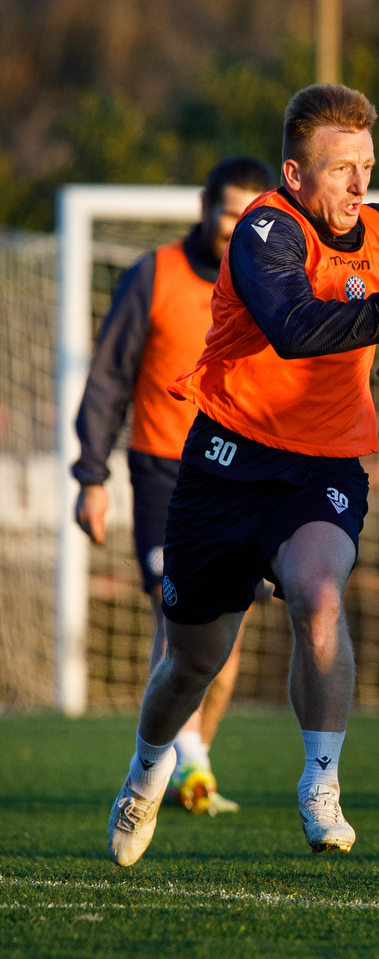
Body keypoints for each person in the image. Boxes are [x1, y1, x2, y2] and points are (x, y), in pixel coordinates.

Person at [106, 83, 379, 867]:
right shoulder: (265, 229)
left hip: (325, 466)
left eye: (367, 165)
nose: (360, 185)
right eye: (341, 170)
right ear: (297, 177)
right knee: (193, 660)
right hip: (226, 465)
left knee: (320, 593)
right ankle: (147, 769)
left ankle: (321, 783)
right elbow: (296, 331)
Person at [74, 156, 275, 817]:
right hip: (165, 474)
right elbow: (107, 380)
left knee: (229, 639)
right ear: (204, 208)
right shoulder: (152, 276)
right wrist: (91, 478)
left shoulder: (270, 283)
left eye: (250, 213)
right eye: (227, 211)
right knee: (176, 617)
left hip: (243, 473)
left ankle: (196, 764)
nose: (235, 227)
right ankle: (163, 765)